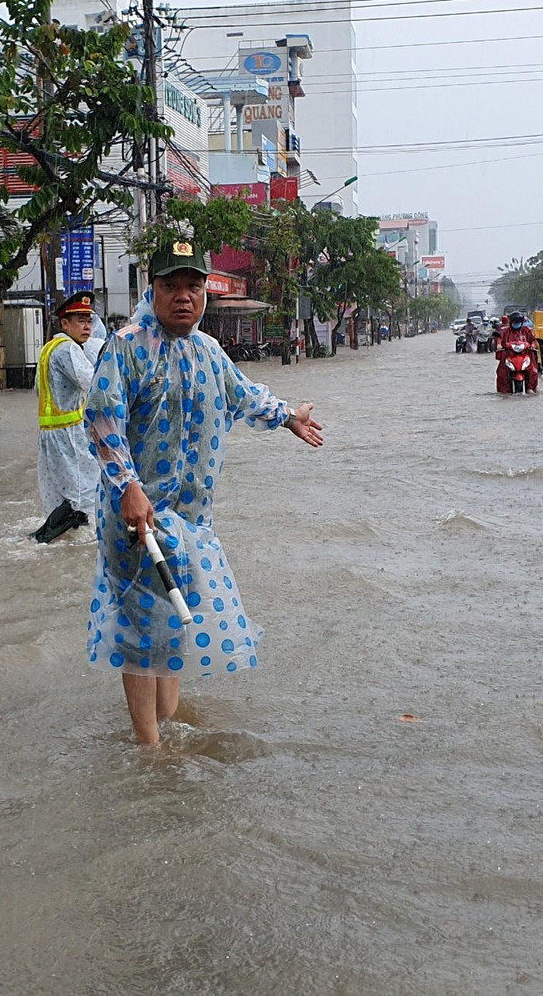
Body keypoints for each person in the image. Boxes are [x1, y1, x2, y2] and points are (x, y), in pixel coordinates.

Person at [83, 241, 325, 747]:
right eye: (171, 286)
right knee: (138, 630)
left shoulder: (209, 350)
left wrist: (287, 417)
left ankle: (169, 731)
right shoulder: (126, 346)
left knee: (171, 626)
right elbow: (104, 422)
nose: (183, 297)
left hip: (191, 521)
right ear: (153, 290)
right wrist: (128, 486)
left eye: (193, 286)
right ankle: (149, 752)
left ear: (204, 293)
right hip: (136, 518)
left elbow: (244, 395)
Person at [33, 291, 104, 544]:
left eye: (89, 320)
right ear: (65, 323)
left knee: (59, 494)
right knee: (84, 494)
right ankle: (43, 539)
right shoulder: (67, 349)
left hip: (51, 434)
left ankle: (53, 541)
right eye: (80, 320)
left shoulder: (49, 348)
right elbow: (93, 382)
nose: (87, 326)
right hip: (70, 434)